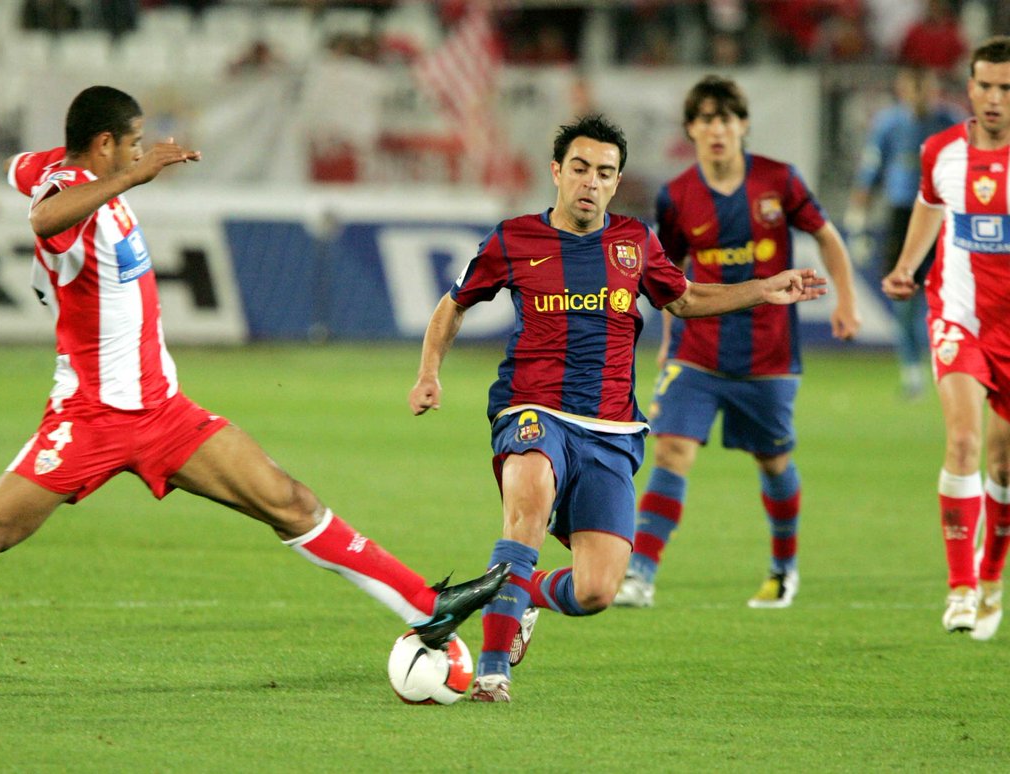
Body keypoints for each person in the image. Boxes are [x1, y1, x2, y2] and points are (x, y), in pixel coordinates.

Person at [0, 86, 509, 661]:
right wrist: (130, 177)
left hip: (163, 413)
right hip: (90, 418)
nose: (144, 153)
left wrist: (90, 171)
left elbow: (18, 166)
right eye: (135, 142)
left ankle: (426, 606)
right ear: (105, 146)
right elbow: (44, 219)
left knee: (288, 500)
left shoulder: (59, 166)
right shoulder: (74, 192)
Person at [408, 114, 829, 702]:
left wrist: (762, 289)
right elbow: (453, 304)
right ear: (557, 172)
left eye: (604, 173)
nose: (591, 182)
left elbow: (685, 299)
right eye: (580, 168)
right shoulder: (512, 239)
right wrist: (429, 374)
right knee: (528, 500)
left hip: (610, 427)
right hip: (531, 409)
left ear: (616, 181)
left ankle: (523, 592)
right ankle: (492, 672)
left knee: (596, 591)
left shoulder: (635, 242)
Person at [614, 75, 860, 611]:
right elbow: (670, 273)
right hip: (696, 351)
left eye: (726, 118)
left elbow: (825, 234)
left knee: (773, 461)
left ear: (743, 125)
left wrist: (846, 299)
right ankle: (640, 574)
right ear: (691, 129)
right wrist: (667, 338)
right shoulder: (677, 195)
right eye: (706, 119)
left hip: (768, 355)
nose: (717, 129)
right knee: (672, 450)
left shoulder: (778, 180)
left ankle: (783, 567)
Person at [882, 36, 1010, 641]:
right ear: (970, 87)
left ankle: (990, 576)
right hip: (958, 316)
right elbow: (930, 205)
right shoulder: (942, 151)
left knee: (1003, 466)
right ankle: (959, 588)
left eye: (1006, 88)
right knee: (962, 441)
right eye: (986, 85)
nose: (994, 97)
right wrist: (907, 266)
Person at [849, 66, 966, 399]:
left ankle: (951, 367)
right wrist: (858, 224)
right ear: (902, 90)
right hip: (902, 216)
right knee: (903, 297)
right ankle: (912, 372)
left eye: (925, 89)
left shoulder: (951, 123)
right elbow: (868, 176)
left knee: (948, 298)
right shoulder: (888, 125)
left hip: (946, 216)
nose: (919, 97)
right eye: (913, 89)